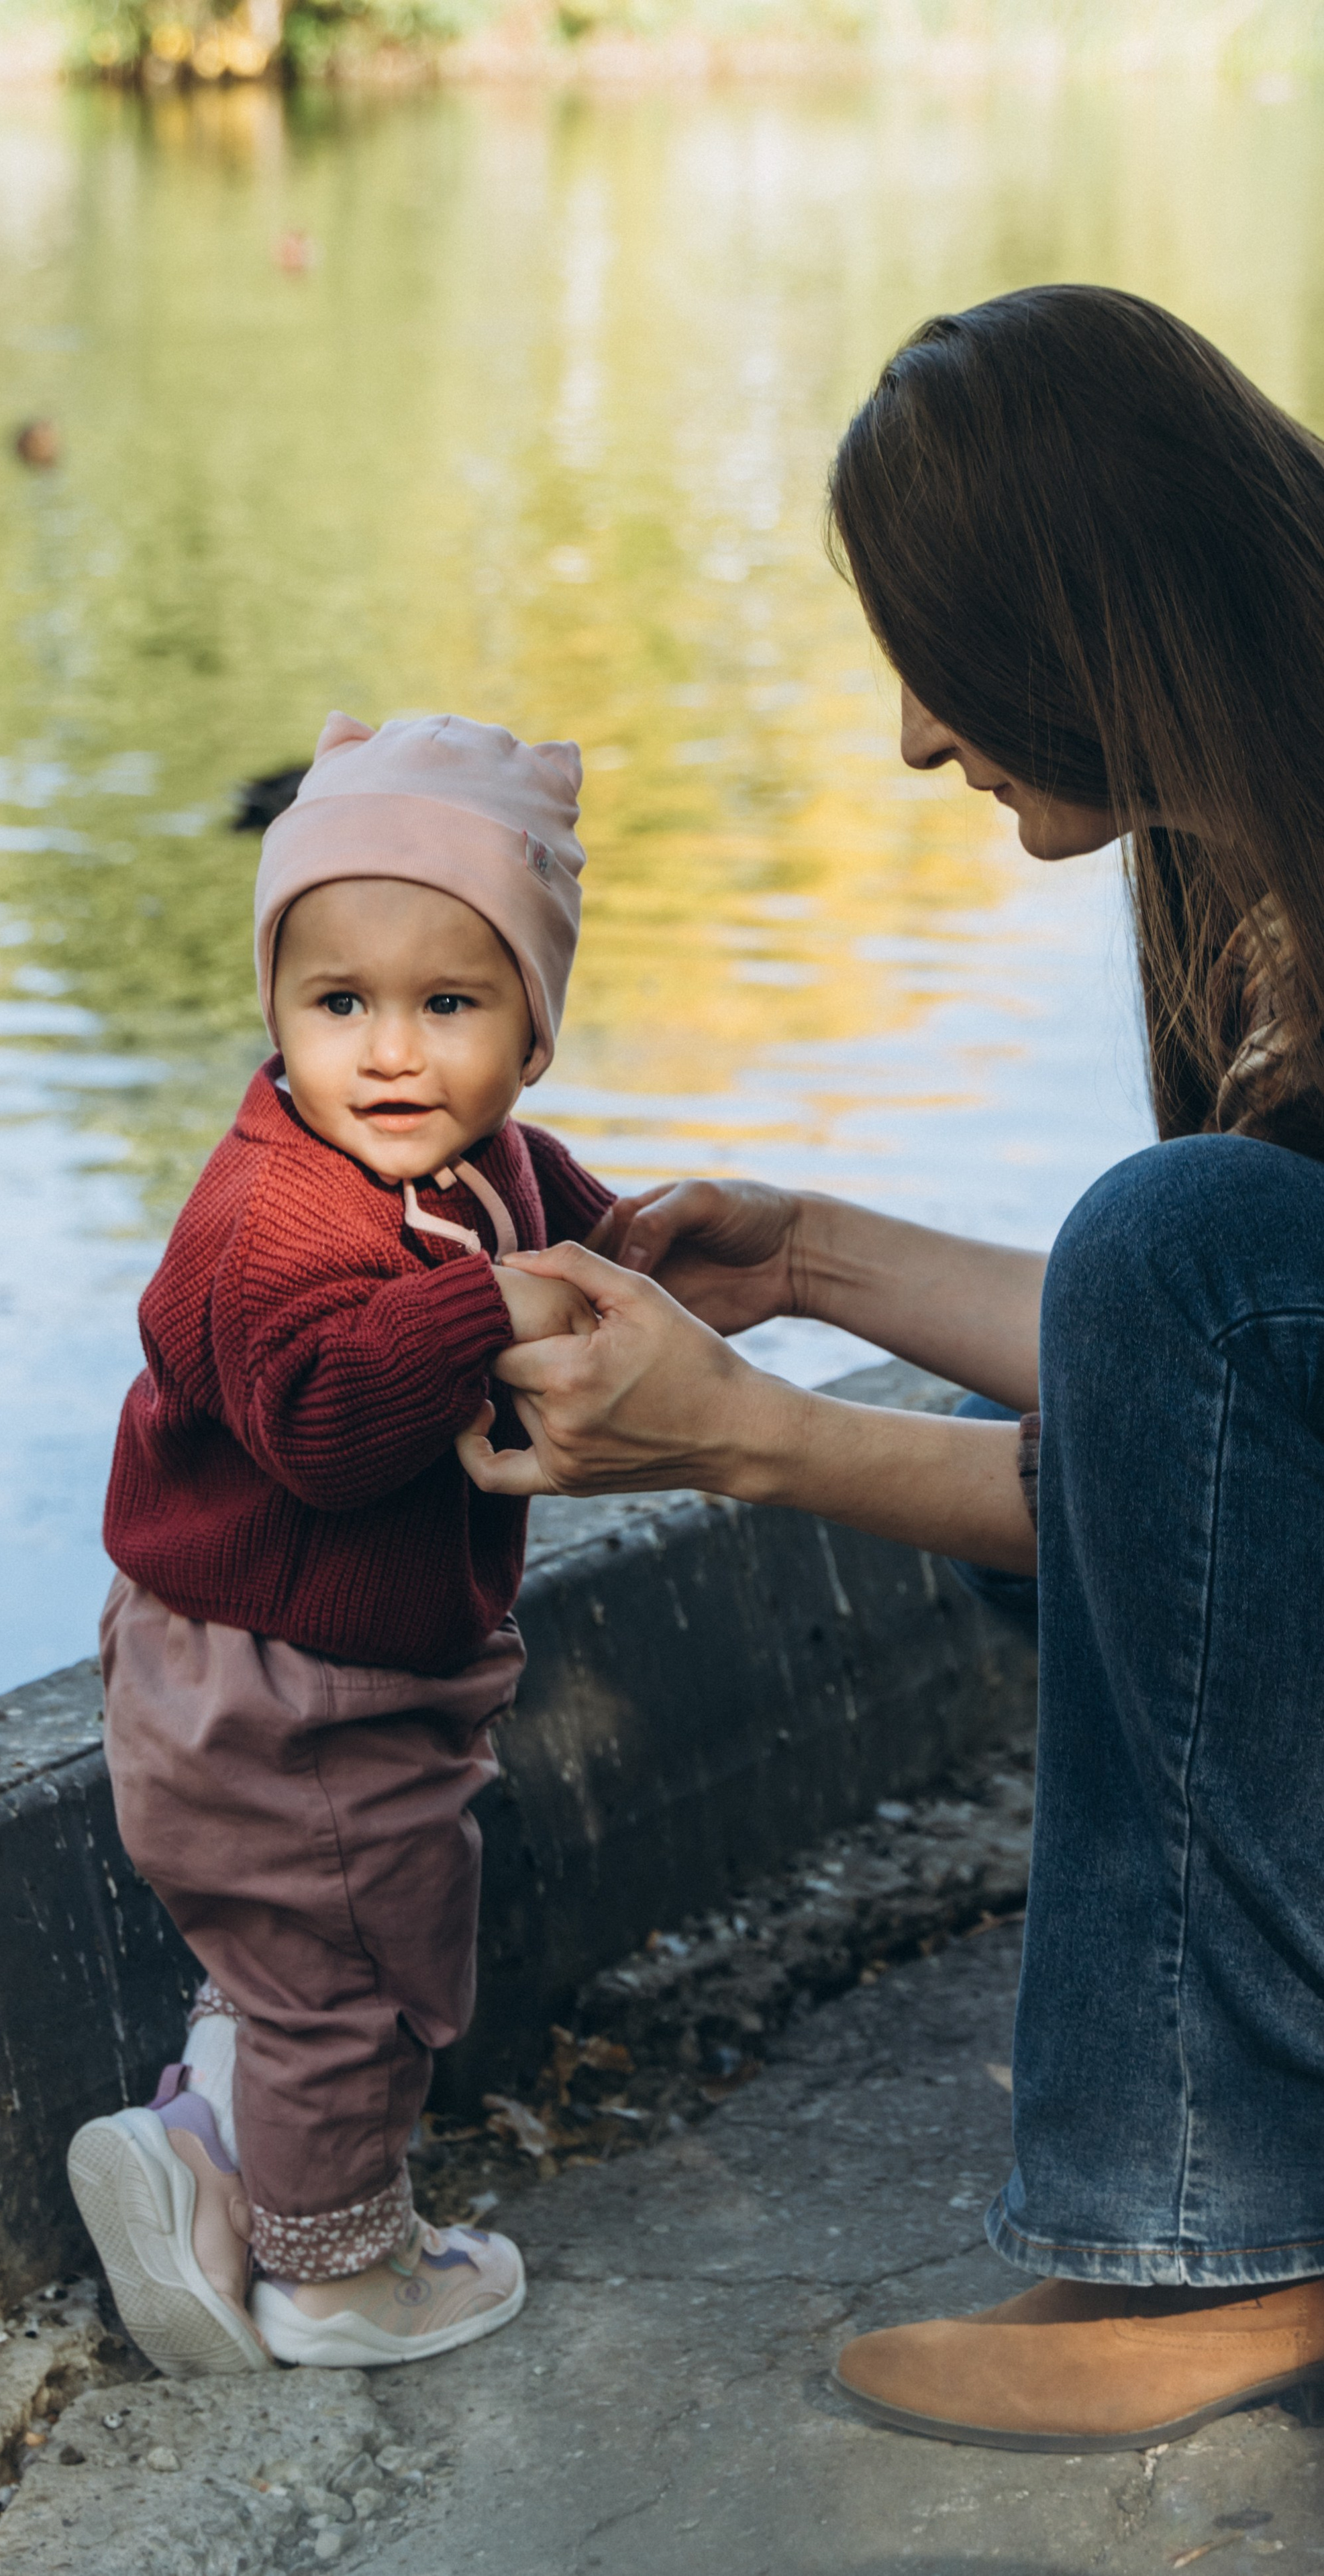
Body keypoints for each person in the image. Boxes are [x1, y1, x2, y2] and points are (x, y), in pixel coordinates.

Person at [460, 284, 1324, 2452]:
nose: (918, 739)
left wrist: (742, 1442)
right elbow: (1241, 1395)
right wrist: (822, 1263)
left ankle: (1245, 2228)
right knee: (1149, 1293)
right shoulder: (1256, 859)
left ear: (1082, 620)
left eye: (937, 656)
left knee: (1162, 1254)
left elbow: (1210, 1399)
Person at [68, 709, 610, 2377]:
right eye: (336, 1005)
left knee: (297, 1937)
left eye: (448, 1006)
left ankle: (208, 2149)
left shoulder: (479, 1161)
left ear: (531, 1029)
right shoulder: (276, 1219)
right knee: (363, 1972)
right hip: (287, 1681)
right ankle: (338, 2275)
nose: (387, 1054)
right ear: (277, 1012)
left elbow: (567, 1233)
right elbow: (316, 1419)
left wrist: (650, 1266)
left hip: (292, 1656)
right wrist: (491, 1306)